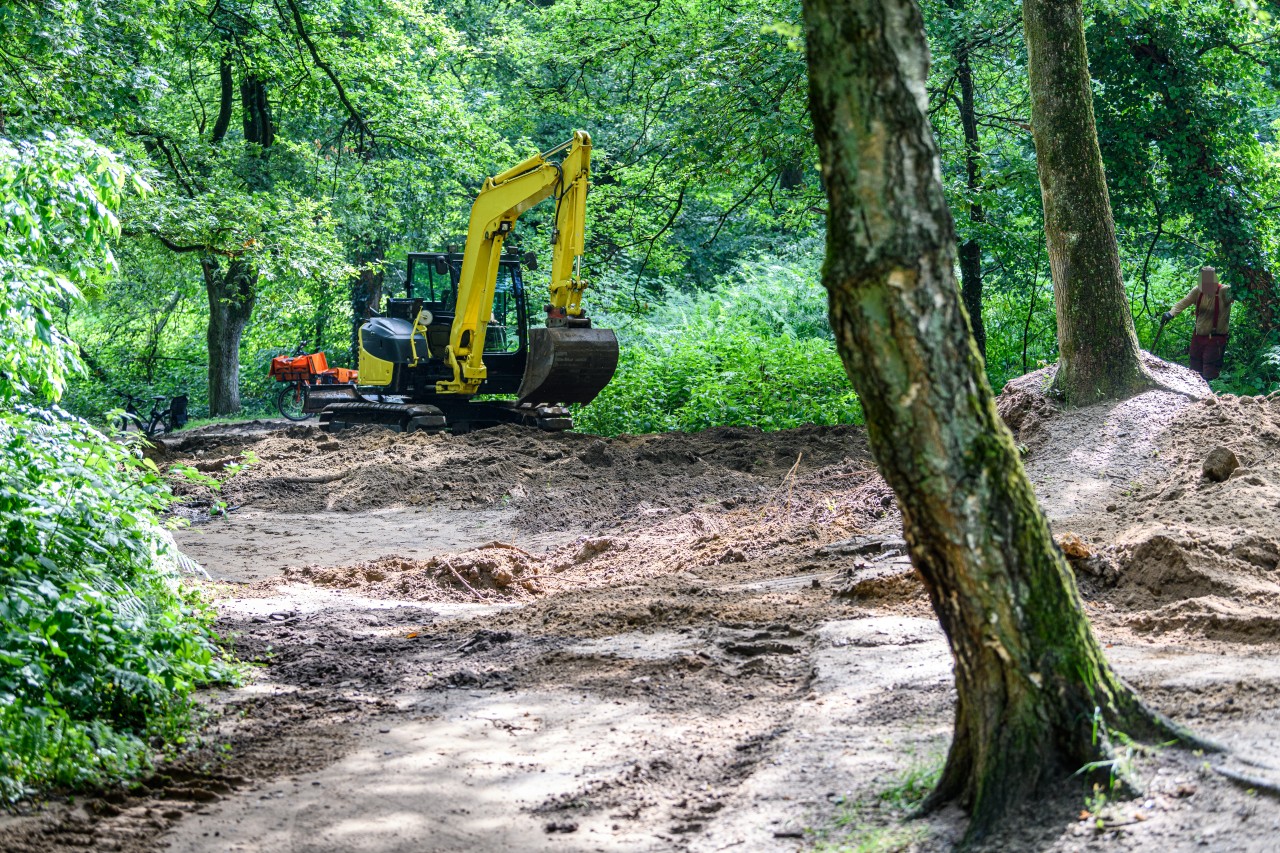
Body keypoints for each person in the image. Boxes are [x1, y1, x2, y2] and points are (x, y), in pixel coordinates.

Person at [1162, 266, 1233, 380]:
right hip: (1198, 337)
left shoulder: (1224, 291)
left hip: (1215, 339)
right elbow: (1184, 302)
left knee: (1210, 371)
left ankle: (1210, 396)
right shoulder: (1198, 291)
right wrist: (1171, 313)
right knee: (1194, 371)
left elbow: (1239, 292)